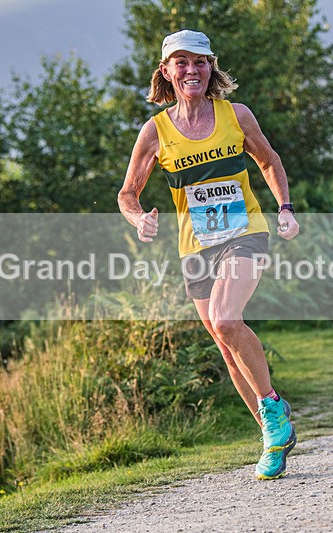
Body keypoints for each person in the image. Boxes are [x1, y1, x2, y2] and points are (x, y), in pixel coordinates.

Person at [117, 29, 299, 480]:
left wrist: (285, 208)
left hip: (246, 233)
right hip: (195, 248)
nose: (192, 70)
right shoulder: (155, 131)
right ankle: (272, 437)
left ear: (210, 67)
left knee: (226, 320)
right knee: (224, 344)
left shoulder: (235, 115)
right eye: (181, 62)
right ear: (166, 71)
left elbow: (269, 161)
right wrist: (138, 218)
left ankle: (273, 408)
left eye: (199, 61)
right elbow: (127, 193)